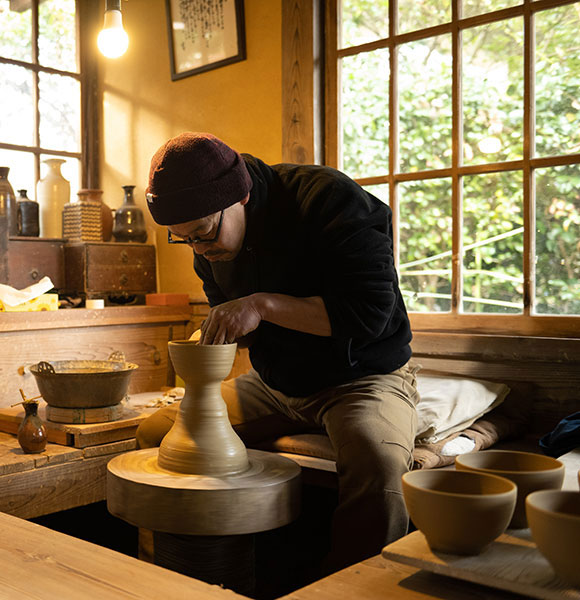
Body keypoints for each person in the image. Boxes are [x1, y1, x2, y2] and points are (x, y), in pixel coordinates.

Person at [137, 132, 419, 572]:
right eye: (183, 239)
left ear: (241, 196)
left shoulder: (329, 200)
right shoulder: (207, 243)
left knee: (378, 466)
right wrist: (217, 336)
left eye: (203, 233)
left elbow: (369, 316)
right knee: (157, 435)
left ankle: (353, 587)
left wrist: (261, 305)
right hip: (275, 384)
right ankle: (185, 571)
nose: (199, 249)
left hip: (360, 378)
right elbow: (239, 326)